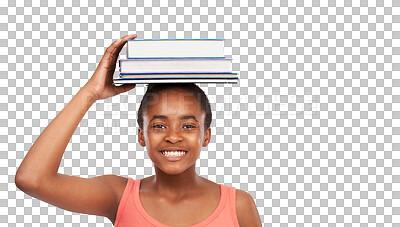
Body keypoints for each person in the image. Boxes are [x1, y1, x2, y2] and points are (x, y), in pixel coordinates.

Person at [15, 34, 262, 227]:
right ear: (141, 135)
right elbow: (32, 179)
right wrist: (91, 92)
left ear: (206, 135)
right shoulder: (119, 196)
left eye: (187, 125)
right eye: (159, 125)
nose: (173, 136)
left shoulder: (238, 204)